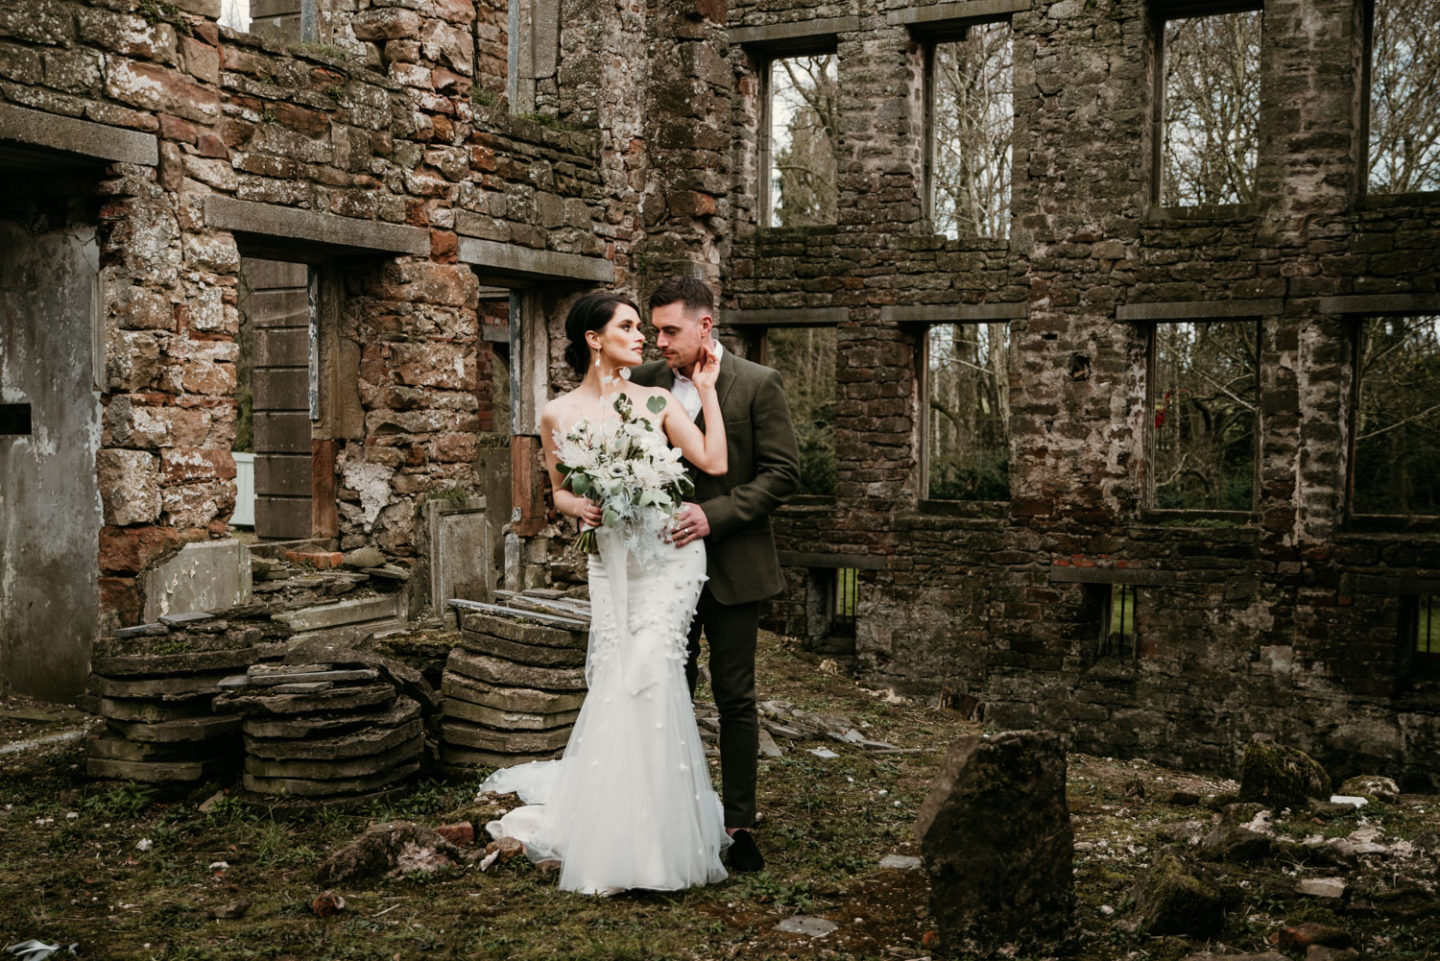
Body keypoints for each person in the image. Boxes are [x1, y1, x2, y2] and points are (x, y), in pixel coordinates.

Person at [479, 291, 732, 895]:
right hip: (611, 562)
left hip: (669, 558)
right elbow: (558, 491)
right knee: (620, 680)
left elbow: (712, 461)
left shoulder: (657, 399)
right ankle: (616, 832)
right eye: (628, 326)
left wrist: (711, 389)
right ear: (594, 338)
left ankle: (662, 841)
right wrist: (579, 505)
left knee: (655, 673)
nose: (642, 336)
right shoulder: (556, 415)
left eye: (643, 328)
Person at [629, 277, 801, 873]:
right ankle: (668, 814)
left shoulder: (758, 384)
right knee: (667, 689)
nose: (659, 342)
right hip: (660, 569)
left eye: (669, 330)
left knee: (736, 697)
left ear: (705, 326)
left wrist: (716, 514)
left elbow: (783, 474)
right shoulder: (644, 382)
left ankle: (740, 823)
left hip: (733, 567)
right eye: (654, 330)